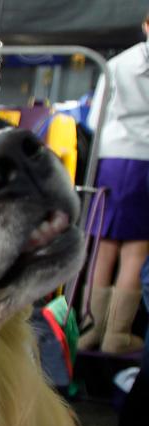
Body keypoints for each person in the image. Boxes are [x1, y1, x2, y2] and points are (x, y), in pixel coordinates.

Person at [79, 11, 149, 354]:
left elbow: (94, 119)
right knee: (136, 250)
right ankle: (117, 335)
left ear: (145, 25)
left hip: (111, 159)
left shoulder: (118, 64)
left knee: (103, 246)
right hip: (146, 161)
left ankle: (90, 330)